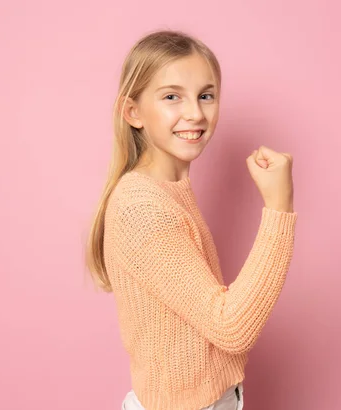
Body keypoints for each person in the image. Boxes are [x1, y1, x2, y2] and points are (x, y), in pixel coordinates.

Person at [85, 29, 298, 410]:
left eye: (206, 95)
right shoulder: (142, 207)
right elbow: (231, 327)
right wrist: (279, 208)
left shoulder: (169, 188)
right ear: (132, 112)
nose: (196, 113)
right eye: (172, 97)